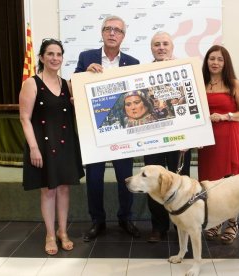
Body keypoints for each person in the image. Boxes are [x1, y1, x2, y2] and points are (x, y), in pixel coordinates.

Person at [74, 15, 141, 242]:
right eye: (108, 29)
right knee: (94, 178)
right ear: (101, 33)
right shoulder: (87, 57)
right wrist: (83, 75)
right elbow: (74, 86)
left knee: (126, 178)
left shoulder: (133, 63)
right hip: (95, 131)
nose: (112, 33)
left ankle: (125, 218)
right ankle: (97, 221)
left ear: (123, 36)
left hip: (123, 130)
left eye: (117, 30)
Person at [19, 38, 85, 255]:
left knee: (64, 188)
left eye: (58, 54)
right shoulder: (31, 83)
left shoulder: (66, 84)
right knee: (48, 190)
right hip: (43, 145)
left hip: (66, 143)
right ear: (41, 57)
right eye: (50, 54)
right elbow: (24, 118)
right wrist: (33, 148)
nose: (55, 58)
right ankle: (49, 234)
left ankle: (62, 232)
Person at [198, 45, 239, 244]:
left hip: (228, 137)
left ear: (225, 62)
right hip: (207, 141)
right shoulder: (201, 83)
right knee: (210, 182)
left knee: (230, 182)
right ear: (207, 61)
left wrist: (225, 116)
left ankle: (232, 223)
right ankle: (216, 221)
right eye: (212, 59)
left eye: (220, 59)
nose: (215, 63)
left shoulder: (233, 83)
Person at [143, 31, 192, 243]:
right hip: (151, 139)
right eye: (156, 44)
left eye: (165, 44)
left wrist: (191, 136)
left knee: (180, 182)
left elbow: (192, 104)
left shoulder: (185, 71)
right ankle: (158, 227)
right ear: (151, 49)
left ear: (172, 47)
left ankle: (182, 224)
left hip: (179, 139)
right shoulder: (142, 73)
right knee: (153, 183)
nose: (161, 47)